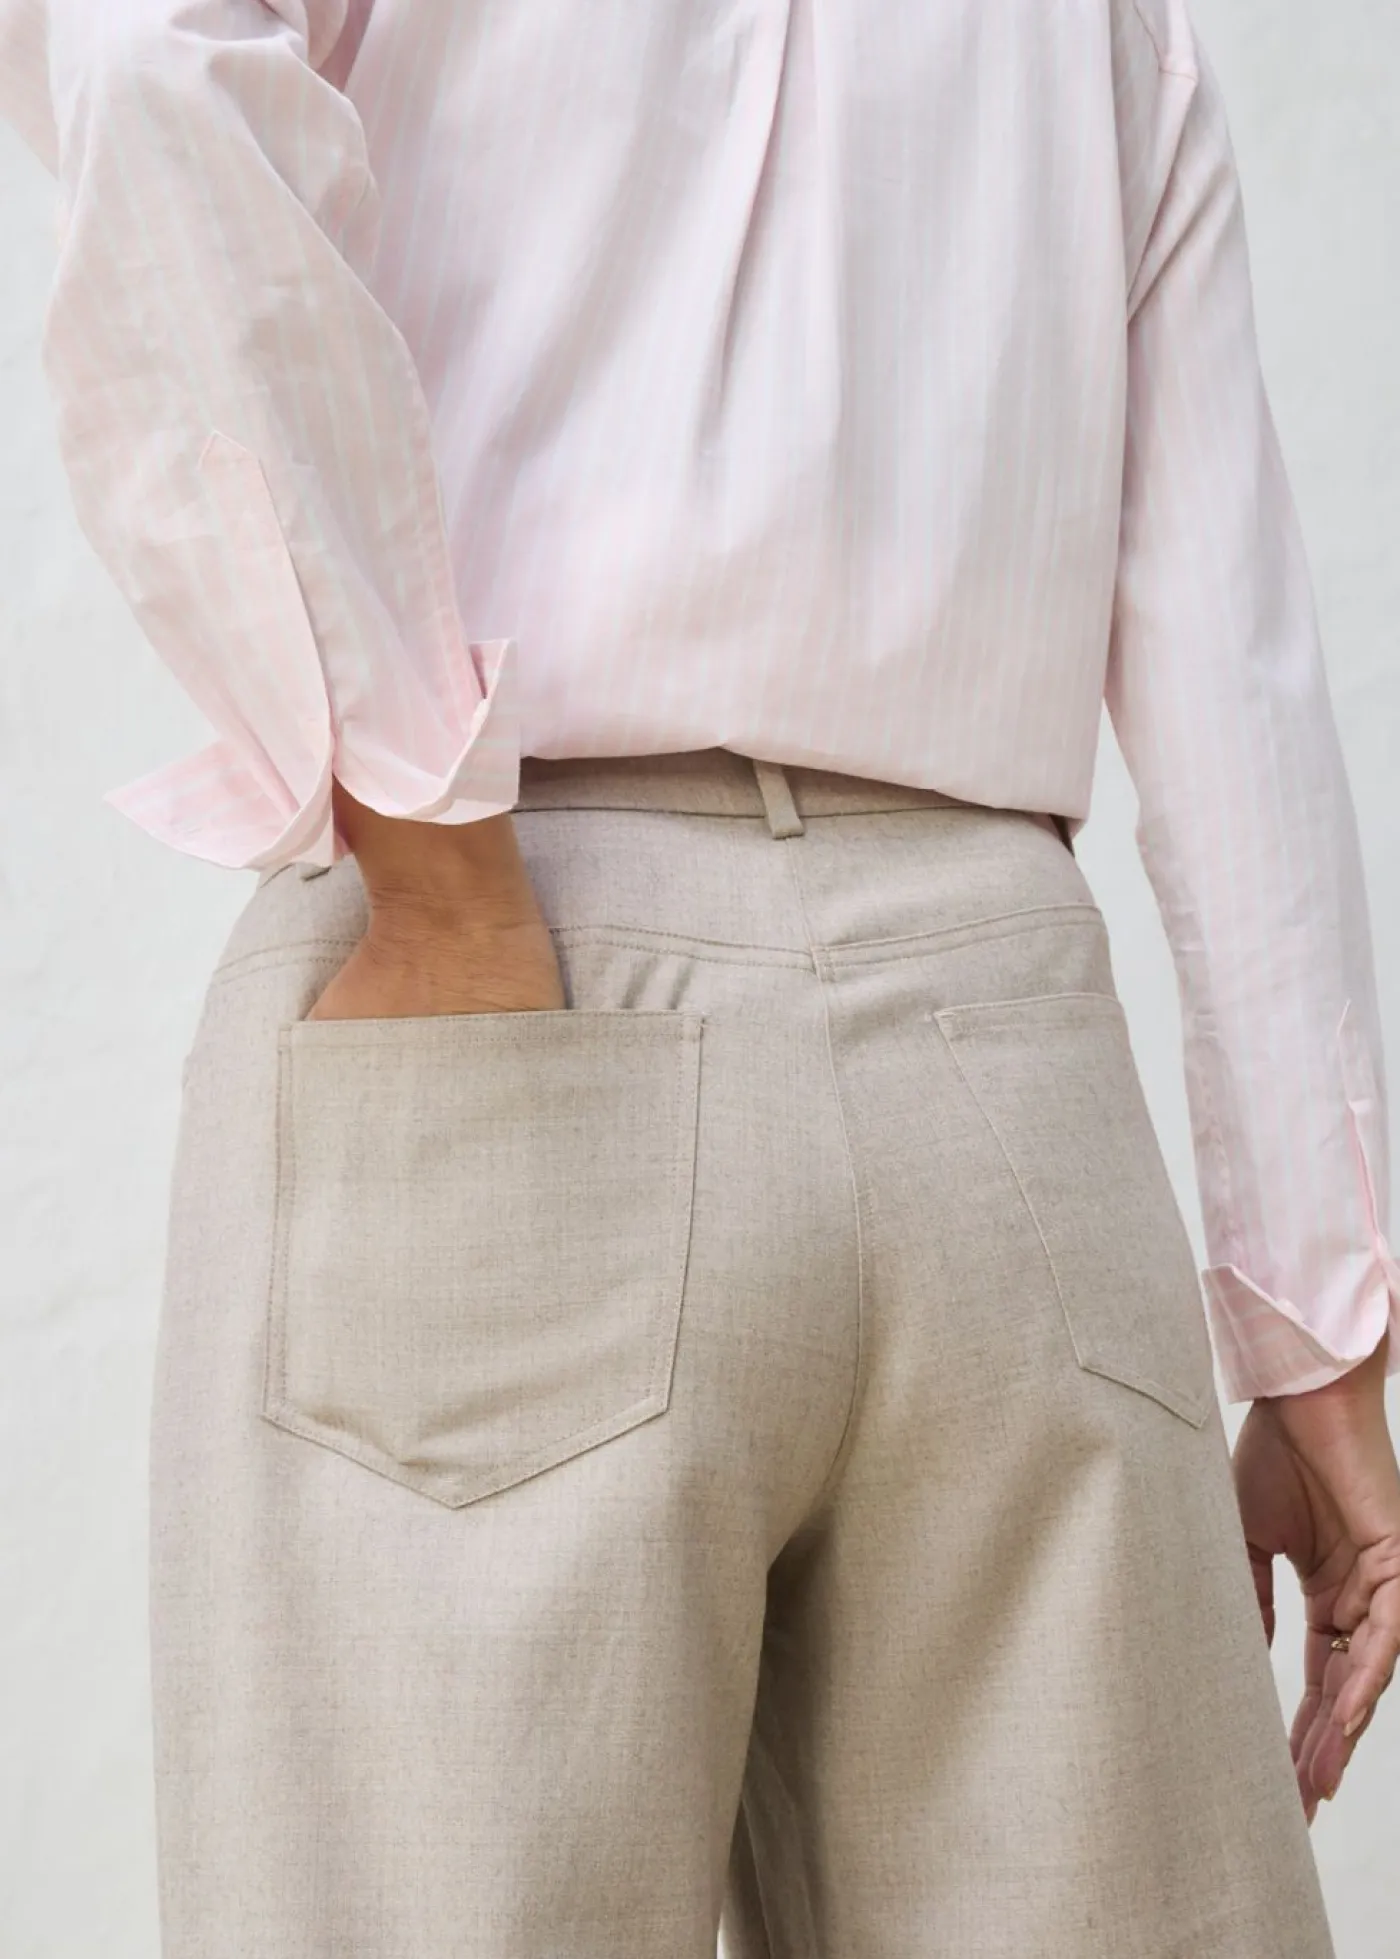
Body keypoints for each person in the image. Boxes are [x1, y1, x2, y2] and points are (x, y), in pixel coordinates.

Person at [2, 0, 1396, 1952]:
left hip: (505, 970)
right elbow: (1224, 611)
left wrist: (430, 850)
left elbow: (146, 55)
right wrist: (1319, 1332)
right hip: (1006, 1067)